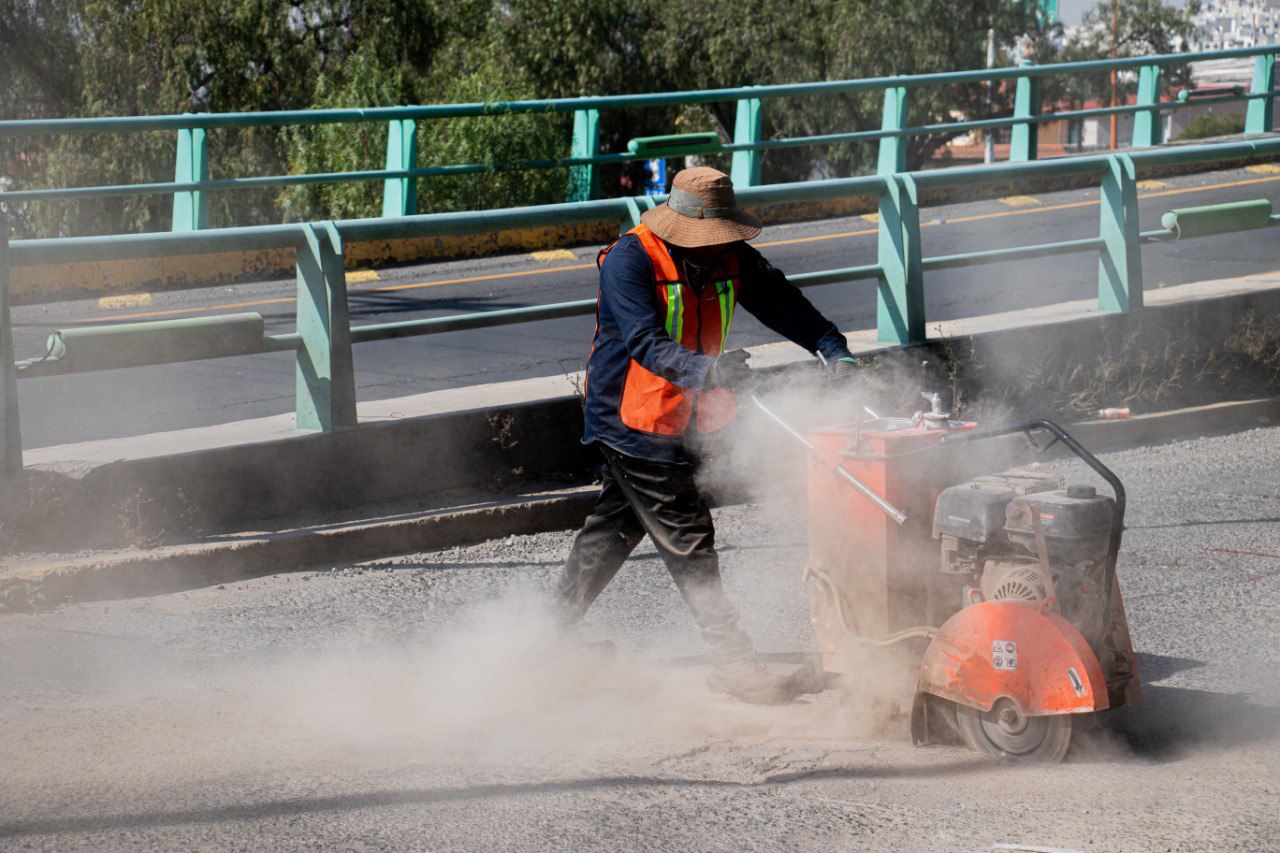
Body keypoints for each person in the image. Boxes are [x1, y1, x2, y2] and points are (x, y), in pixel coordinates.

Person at [555, 166, 856, 703]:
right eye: (707, 241)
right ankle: (732, 661)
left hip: (679, 413)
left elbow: (778, 300)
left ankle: (544, 643)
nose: (716, 250)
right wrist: (710, 372)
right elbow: (645, 342)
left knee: (615, 528)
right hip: (630, 418)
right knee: (687, 534)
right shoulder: (629, 260)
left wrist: (830, 345)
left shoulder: (730, 256)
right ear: (679, 229)